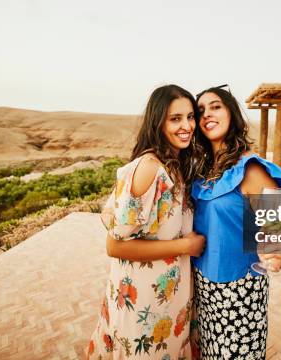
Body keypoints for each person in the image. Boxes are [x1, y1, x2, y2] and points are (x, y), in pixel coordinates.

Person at [87, 85, 206, 359]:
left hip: (165, 303)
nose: (186, 125)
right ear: (158, 121)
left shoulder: (175, 166)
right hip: (143, 305)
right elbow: (116, 247)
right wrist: (184, 246)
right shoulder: (149, 168)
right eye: (175, 119)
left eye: (190, 117)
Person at [191, 86, 281, 360]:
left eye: (215, 106)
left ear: (232, 114)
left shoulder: (252, 170)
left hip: (239, 294)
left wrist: (278, 257)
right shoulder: (201, 170)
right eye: (200, 111)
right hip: (202, 288)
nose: (207, 114)